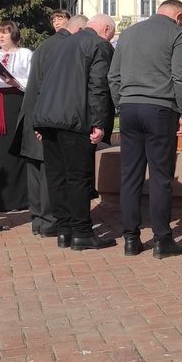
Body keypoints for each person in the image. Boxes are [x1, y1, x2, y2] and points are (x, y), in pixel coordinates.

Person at [109, 0, 182, 258]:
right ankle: (162, 239)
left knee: (130, 175)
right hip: (160, 108)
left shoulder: (128, 33)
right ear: (179, 17)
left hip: (129, 108)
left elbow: (113, 76)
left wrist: (121, 104)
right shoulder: (177, 34)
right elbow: (180, 76)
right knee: (160, 176)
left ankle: (131, 239)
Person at [25, 14, 116, 250]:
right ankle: (82, 232)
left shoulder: (59, 44)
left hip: (48, 118)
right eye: (111, 35)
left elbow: (43, 82)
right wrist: (99, 122)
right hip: (75, 119)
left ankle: (64, 231)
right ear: (106, 29)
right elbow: (98, 86)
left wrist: (39, 121)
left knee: (57, 176)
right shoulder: (98, 45)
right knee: (78, 177)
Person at [0, 20, 32, 212]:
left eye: (5, 32)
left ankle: (18, 199)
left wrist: (15, 82)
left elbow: (33, 79)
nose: (1, 36)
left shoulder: (25, 54)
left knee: (15, 148)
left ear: (14, 34)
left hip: (15, 102)